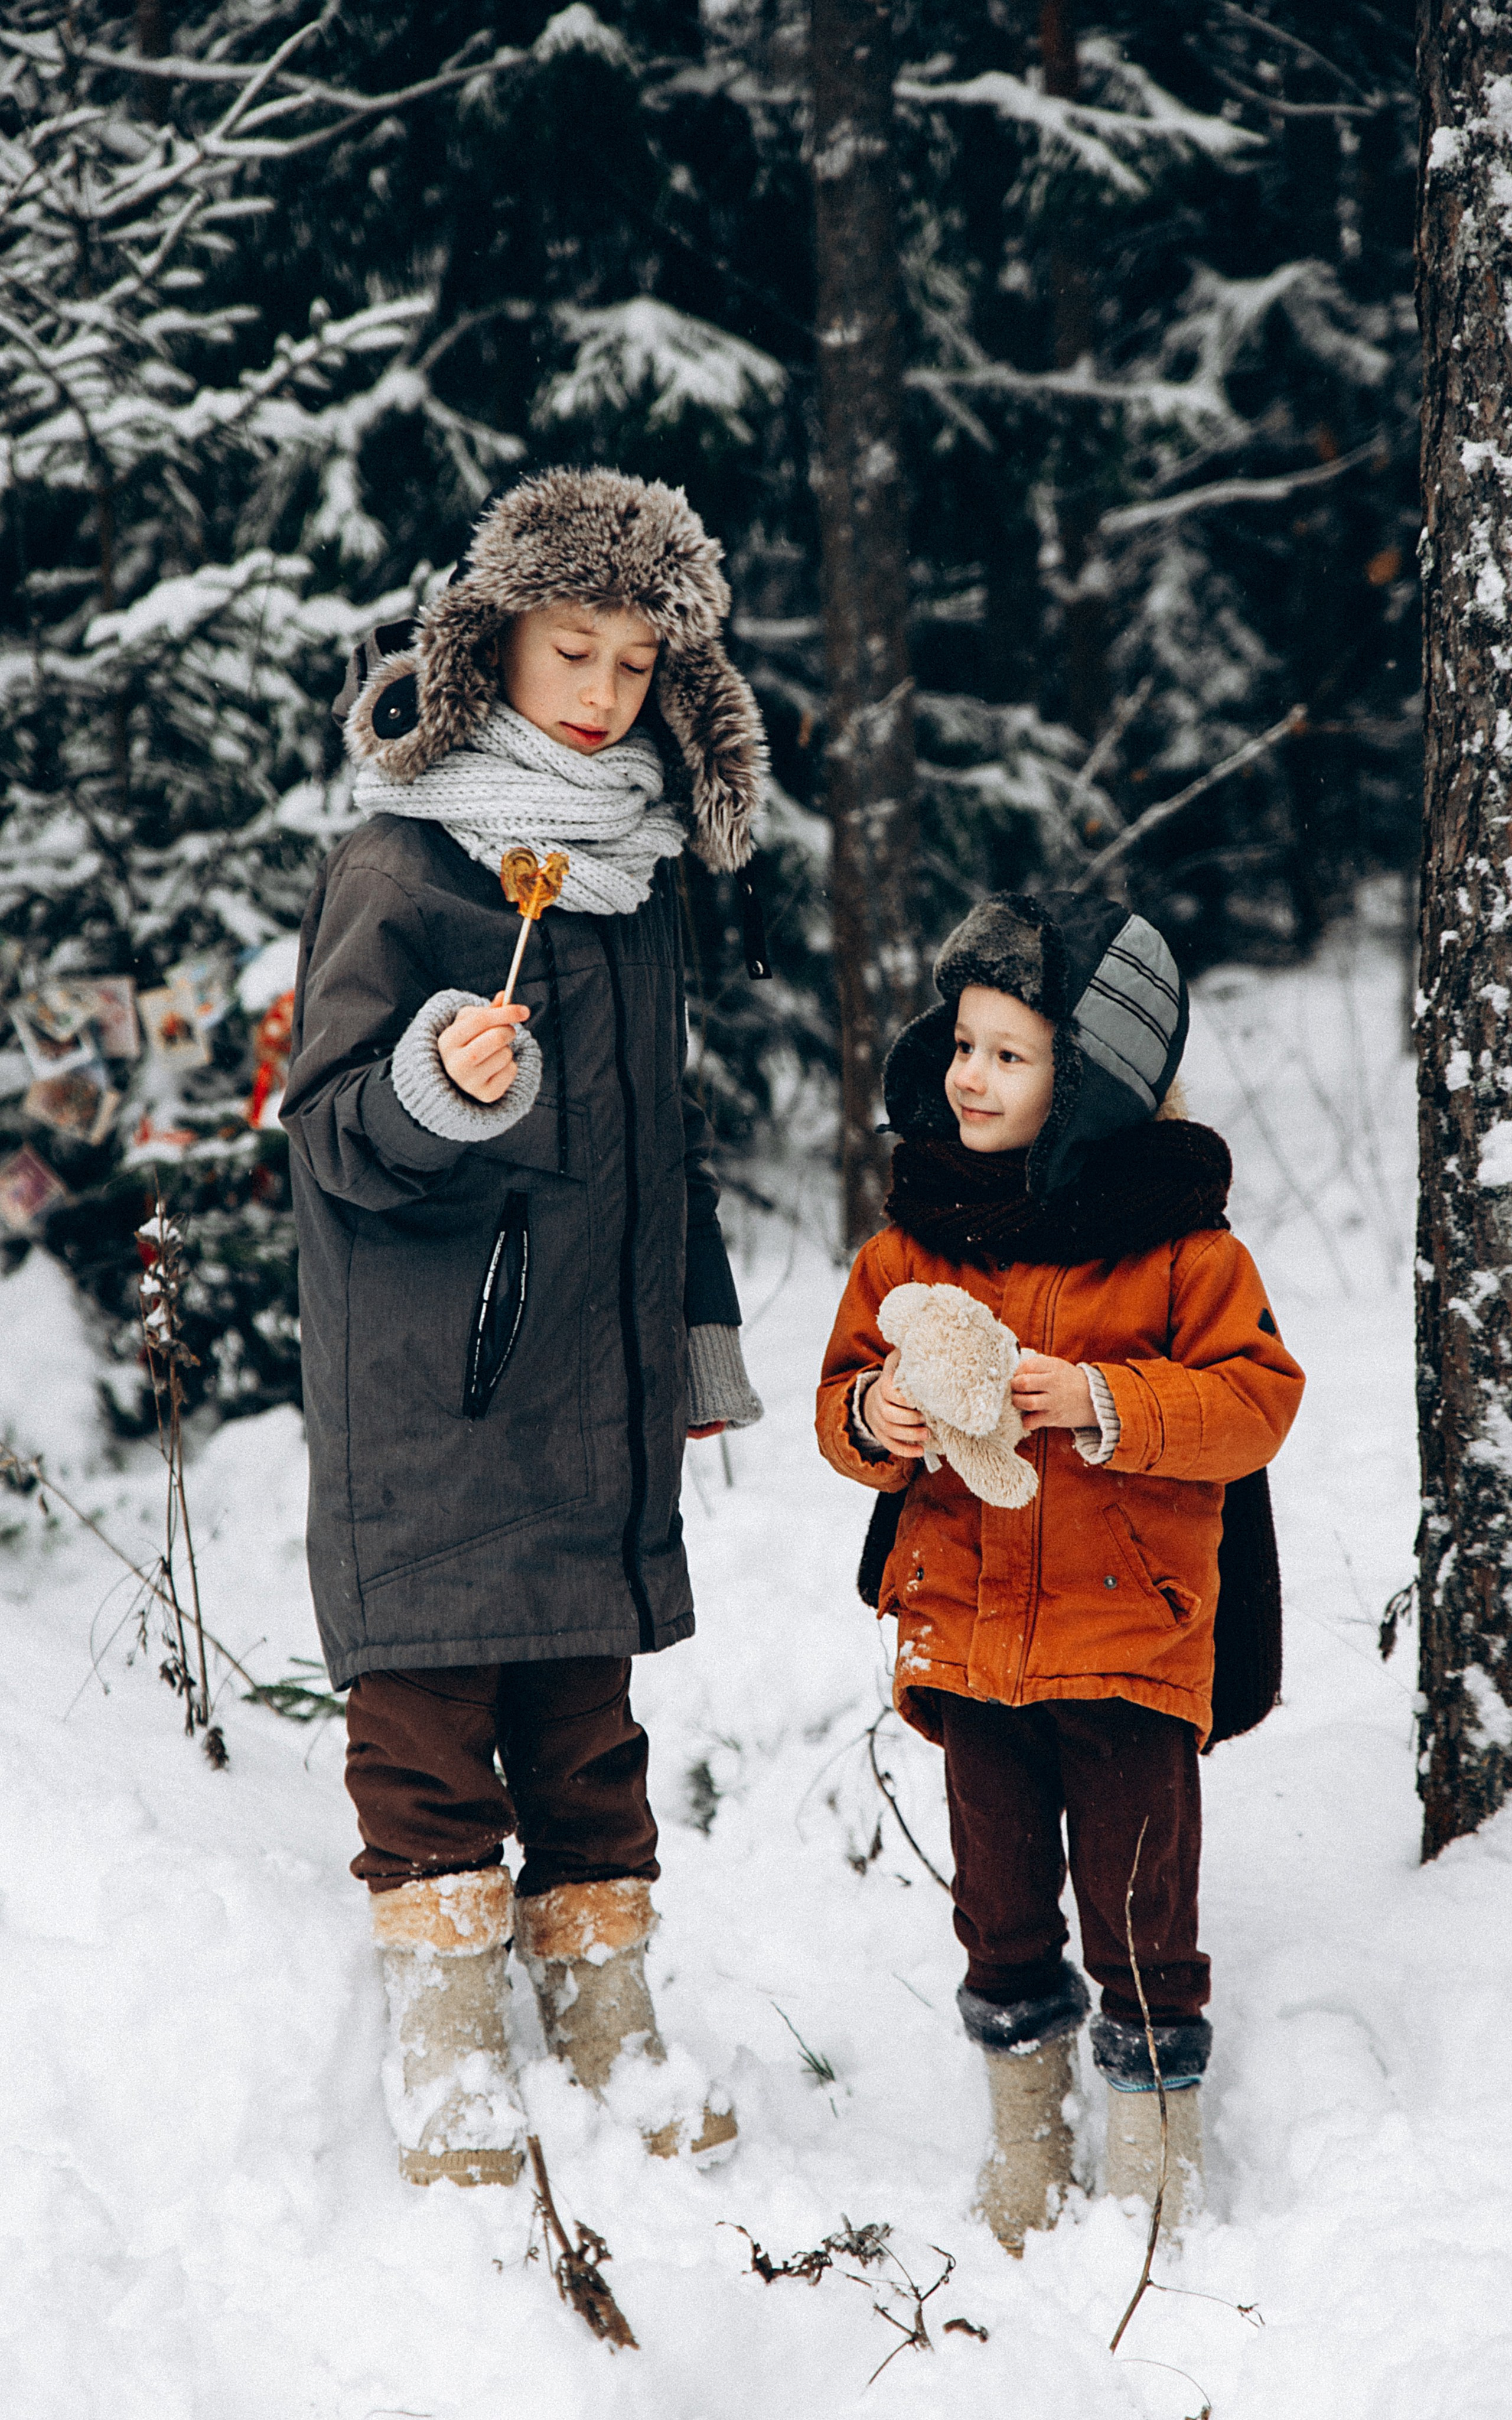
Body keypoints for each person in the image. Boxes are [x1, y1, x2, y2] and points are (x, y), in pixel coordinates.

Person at [282, 468, 765, 2185]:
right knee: (426, 1715)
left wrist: (694, 1343)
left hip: (594, 1373)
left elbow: (665, 1148)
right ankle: (448, 2035)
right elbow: (329, 1132)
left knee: (585, 1712)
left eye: (638, 665)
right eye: (575, 649)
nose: (603, 692)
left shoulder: (633, 882)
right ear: (494, 642)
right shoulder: (398, 861)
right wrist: (430, 1082)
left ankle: (609, 2011)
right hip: (435, 1379)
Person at [815, 891, 1304, 2249]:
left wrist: (1102, 1399)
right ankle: (1025, 2142)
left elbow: (1254, 1401)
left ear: (1090, 1082)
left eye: (1010, 1054)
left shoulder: (1183, 1251)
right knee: (1000, 1907)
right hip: (968, 1650)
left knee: (1143, 1913)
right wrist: (874, 1420)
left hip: (1128, 1647)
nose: (968, 1074)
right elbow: (842, 1390)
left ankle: (1153, 2157)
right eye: (961, 1043)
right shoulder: (910, 1239)